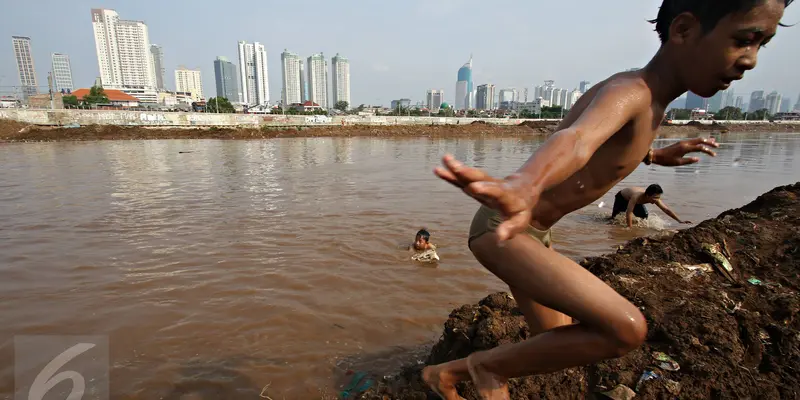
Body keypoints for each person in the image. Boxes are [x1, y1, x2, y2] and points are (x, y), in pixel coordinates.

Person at [423, 1, 790, 399]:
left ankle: (446, 374)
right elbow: (577, 140)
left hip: (533, 232)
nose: (750, 61)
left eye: (762, 45)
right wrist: (524, 182)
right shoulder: (631, 92)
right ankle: (479, 368)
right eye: (744, 40)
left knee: (560, 339)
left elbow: (608, 149)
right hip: (507, 229)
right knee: (625, 328)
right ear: (683, 30)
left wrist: (655, 155)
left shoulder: (652, 101)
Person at [611, 184, 692, 228]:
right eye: (654, 198)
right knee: (614, 219)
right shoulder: (636, 196)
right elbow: (629, 212)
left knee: (644, 217)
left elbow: (666, 210)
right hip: (621, 198)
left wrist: (679, 221)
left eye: (658, 197)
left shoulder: (655, 198)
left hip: (635, 201)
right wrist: (629, 228)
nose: (656, 200)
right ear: (647, 195)